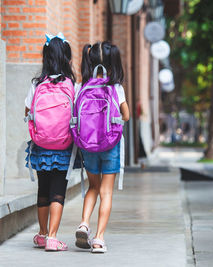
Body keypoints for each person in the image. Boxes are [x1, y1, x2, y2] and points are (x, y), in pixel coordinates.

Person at [24, 32, 78, 252]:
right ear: (67, 58)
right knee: (58, 191)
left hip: (41, 145)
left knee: (43, 190)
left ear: (45, 57)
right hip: (63, 146)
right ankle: (53, 238)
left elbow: (27, 111)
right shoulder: (72, 85)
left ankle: (43, 233)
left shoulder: (37, 84)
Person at [74, 41, 129, 253]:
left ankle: (84, 223)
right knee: (106, 192)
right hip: (110, 145)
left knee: (93, 187)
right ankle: (98, 239)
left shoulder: (82, 87)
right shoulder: (116, 88)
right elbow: (126, 115)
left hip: (88, 145)